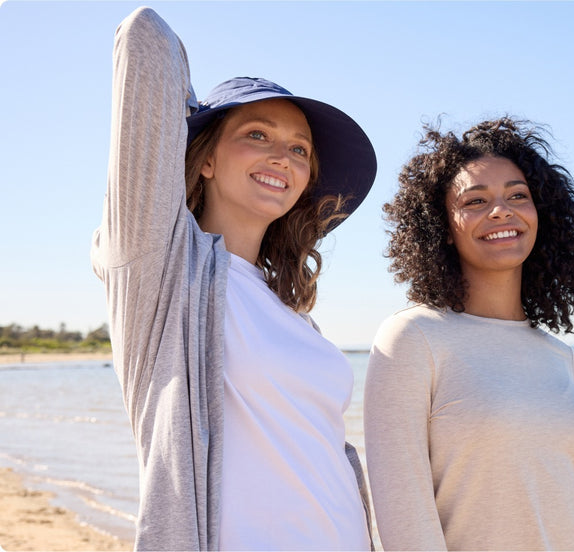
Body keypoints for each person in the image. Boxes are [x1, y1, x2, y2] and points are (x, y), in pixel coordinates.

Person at [91, 7, 377, 551]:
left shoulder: (292, 312)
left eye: (299, 148)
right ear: (204, 160)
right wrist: (196, 115)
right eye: (256, 134)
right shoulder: (164, 267)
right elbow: (144, 36)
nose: (282, 156)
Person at [363, 118, 574, 550]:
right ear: (441, 226)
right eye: (475, 201)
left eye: (518, 195)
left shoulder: (560, 357)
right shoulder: (412, 338)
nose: (501, 210)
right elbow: (404, 518)